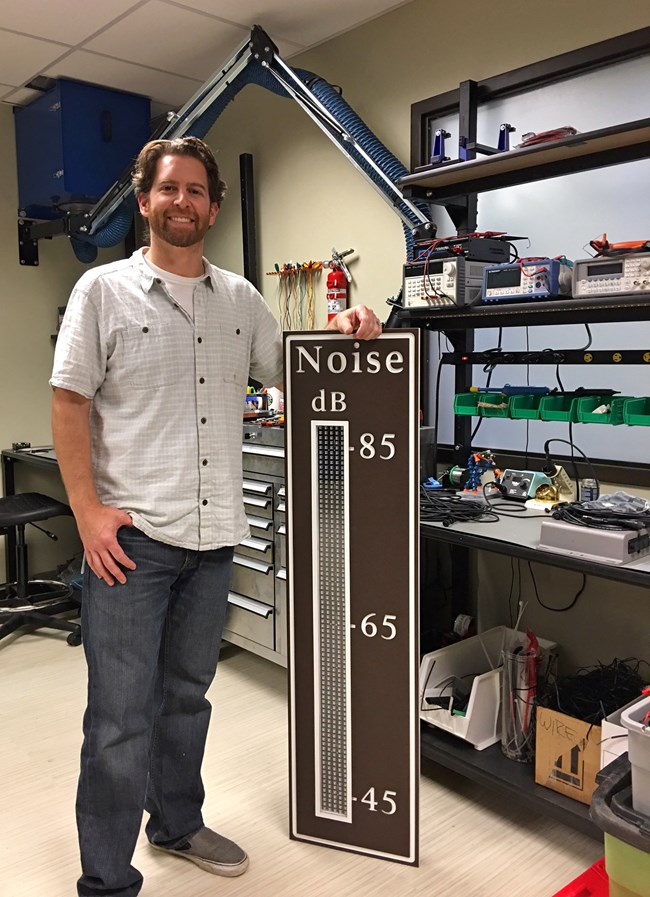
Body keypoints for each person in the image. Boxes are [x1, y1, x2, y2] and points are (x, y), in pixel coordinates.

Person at [50, 135, 382, 897]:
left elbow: (296, 370)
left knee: (186, 698)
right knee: (117, 720)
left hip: (214, 540)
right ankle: (105, 878)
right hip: (130, 544)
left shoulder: (241, 302)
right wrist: (87, 512)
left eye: (197, 190)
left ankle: (176, 821)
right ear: (145, 202)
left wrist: (349, 329)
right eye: (169, 189)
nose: (183, 201)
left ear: (214, 207)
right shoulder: (103, 293)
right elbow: (69, 401)